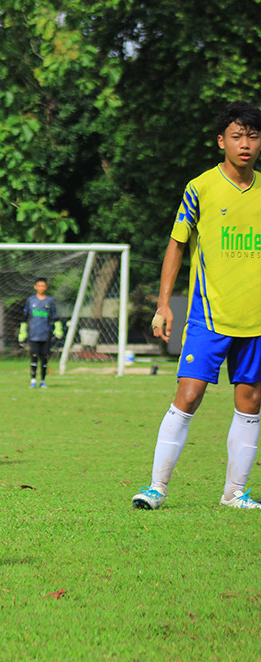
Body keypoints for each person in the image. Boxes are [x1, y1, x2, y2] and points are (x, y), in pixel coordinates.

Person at [132, 101, 261, 512]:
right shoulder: (200, 187)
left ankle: (234, 492)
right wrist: (163, 305)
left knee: (252, 400)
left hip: (256, 319)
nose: (245, 144)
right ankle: (156, 487)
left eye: (253, 136)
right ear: (221, 140)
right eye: (237, 136)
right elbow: (177, 244)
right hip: (208, 316)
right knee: (188, 395)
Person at [17, 277, 62, 388]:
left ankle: (42, 380)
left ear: (46, 287)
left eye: (43, 286)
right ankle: (33, 380)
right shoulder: (31, 300)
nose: (41, 288)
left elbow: (55, 316)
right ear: (35, 287)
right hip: (33, 334)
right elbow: (25, 317)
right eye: (39, 286)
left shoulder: (50, 301)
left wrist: (58, 329)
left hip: (46, 334)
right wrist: (22, 332)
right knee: (34, 356)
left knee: (44, 357)